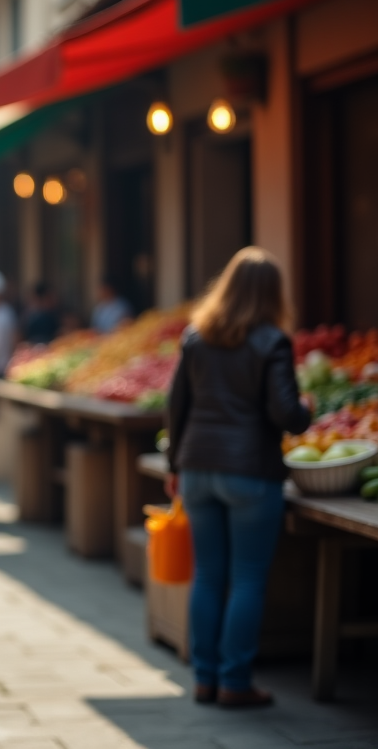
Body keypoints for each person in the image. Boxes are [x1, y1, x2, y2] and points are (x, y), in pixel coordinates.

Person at [166, 247, 311, 708]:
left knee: (208, 575)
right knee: (247, 579)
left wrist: (174, 466)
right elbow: (284, 412)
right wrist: (305, 412)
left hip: (197, 467)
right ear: (272, 294)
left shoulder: (195, 337)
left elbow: (176, 407)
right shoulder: (272, 341)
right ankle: (235, 682)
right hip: (250, 471)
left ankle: (205, 680)